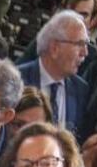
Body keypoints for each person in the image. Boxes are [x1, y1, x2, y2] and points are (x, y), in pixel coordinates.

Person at [18, 10, 91, 138]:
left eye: (86, 45)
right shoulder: (17, 80)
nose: (85, 53)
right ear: (54, 48)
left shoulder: (80, 89)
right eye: (80, 44)